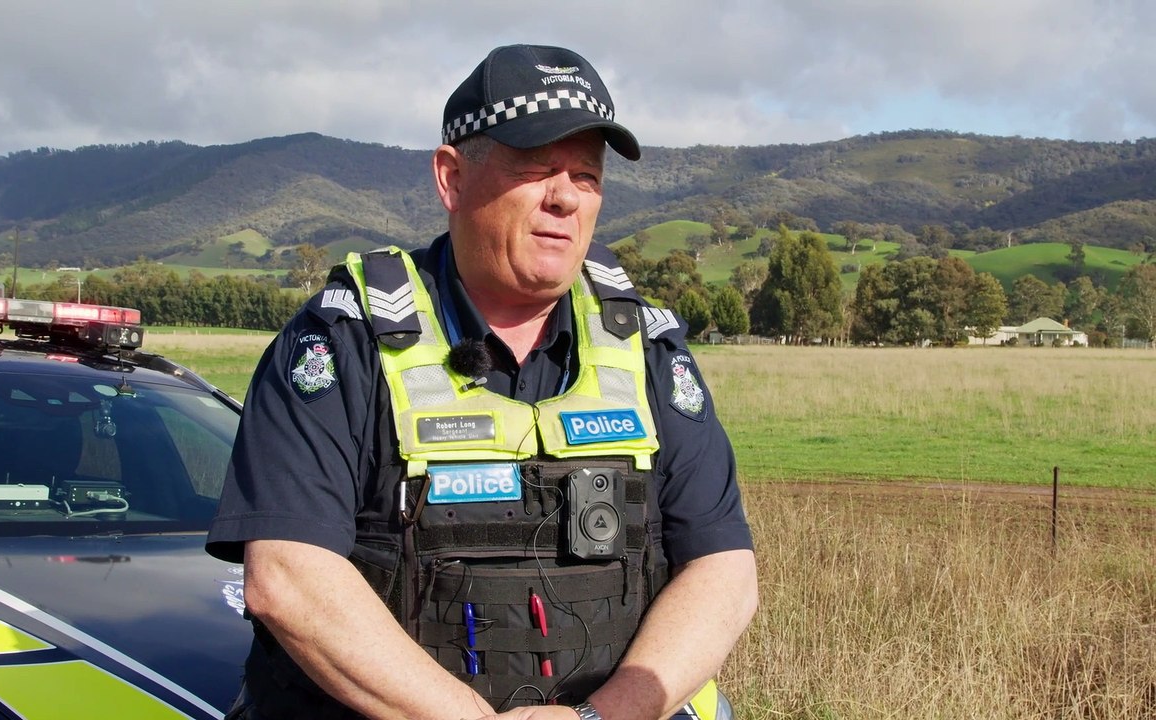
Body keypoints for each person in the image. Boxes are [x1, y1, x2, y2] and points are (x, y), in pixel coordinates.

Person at [207, 43, 758, 720]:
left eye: (586, 176)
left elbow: (724, 571)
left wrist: (606, 715)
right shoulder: (343, 342)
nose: (564, 198)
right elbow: (288, 577)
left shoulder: (645, 347)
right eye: (536, 169)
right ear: (451, 177)